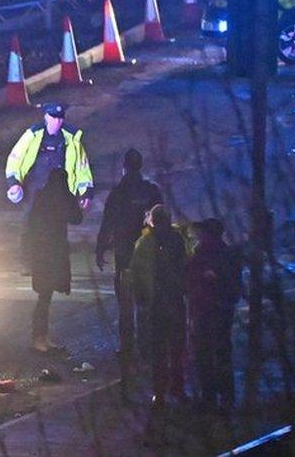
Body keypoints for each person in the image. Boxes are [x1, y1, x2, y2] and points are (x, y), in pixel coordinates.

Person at [95, 149, 163, 360]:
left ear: (124, 167)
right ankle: (145, 346)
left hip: (124, 255)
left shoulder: (118, 193)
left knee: (125, 305)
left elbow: (107, 223)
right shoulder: (151, 191)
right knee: (145, 302)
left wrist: (101, 248)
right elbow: (161, 220)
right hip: (147, 254)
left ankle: (127, 347)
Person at [130, 204, 187, 407]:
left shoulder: (144, 243)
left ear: (151, 220)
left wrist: (140, 300)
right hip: (175, 300)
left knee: (158, 349)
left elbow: (136, 274)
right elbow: (185, 266)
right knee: (177, 348)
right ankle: (178, 387)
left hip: (155, 302)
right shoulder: (178, 239)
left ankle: (159, 392)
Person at [187, 218, 242, 411]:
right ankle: (225, 395)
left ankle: (210, 396)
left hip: (207, 308)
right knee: (221, 352)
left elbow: (193, 278)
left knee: (205, 353)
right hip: (219, 309)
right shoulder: (227, 253)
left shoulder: (205, 254)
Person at [26, 169, 83, 353]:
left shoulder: (42, 198)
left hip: (44, 253)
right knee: (44, 297)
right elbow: (77, 217)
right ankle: (38, 337)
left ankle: (41, 336)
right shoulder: (60, 200)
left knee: (45, 296)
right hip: (50, 253)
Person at [5, 103, 94, 210]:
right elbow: (15, 159)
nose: (57, 121)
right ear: (46, 117)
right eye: (53, 117)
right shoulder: (32, 135)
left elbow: (82, 168)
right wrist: (14, 182)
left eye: (60, 118)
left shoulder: (72, 140)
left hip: (60, 195)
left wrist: (86, 193)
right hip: (34, 193)